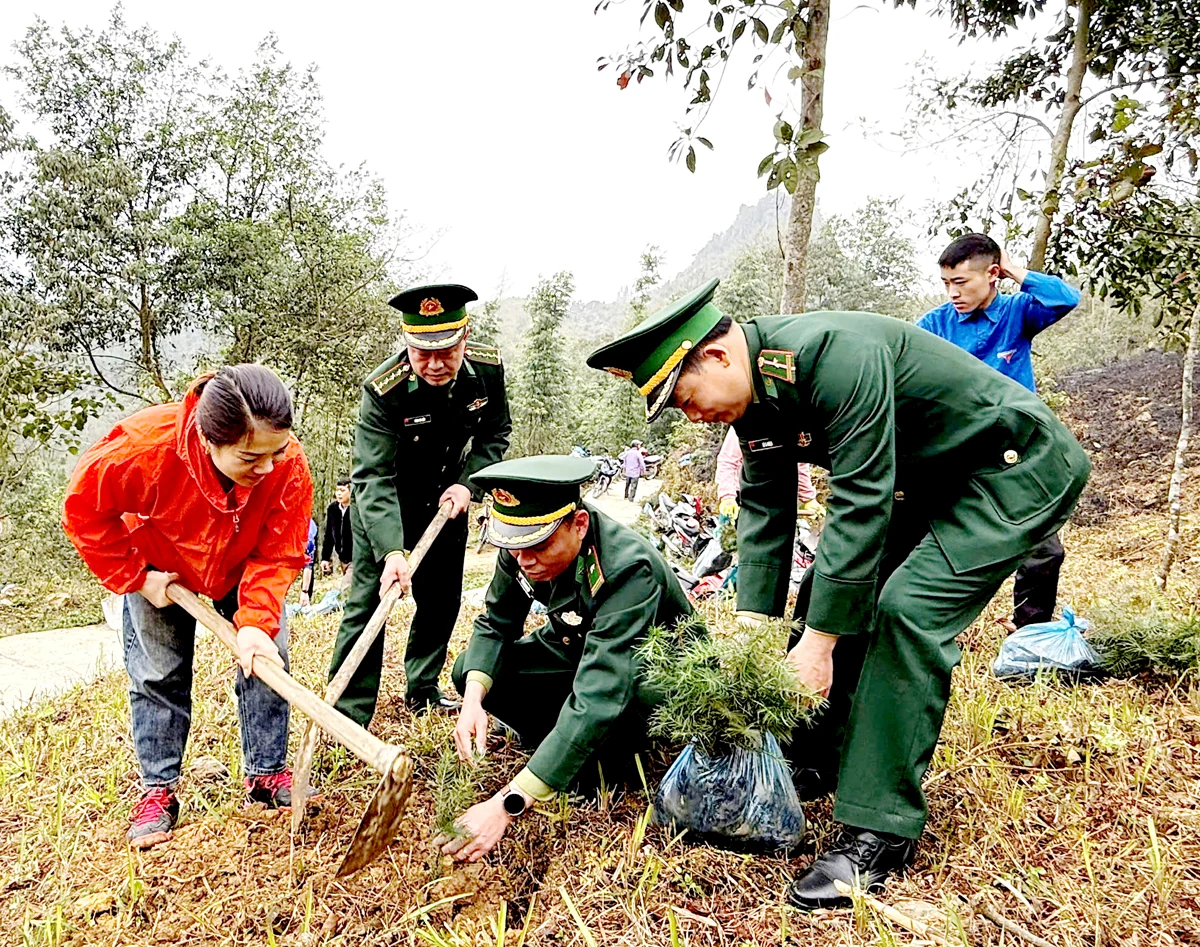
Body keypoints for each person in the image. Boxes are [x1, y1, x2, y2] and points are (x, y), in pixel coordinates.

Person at [586, 278, 1089, 908]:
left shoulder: (836, 355)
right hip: (927, 481)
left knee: (905, 613)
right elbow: (765, 508)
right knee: (821, 595)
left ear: (716, 356)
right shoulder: (756, 396)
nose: (693, 417)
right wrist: (754, 628)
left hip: (1011, 469)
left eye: (686, 400)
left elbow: (860, 497)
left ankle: (882, 827)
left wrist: (820, 644)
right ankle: (817, 756)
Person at [61, 365, 314, 850]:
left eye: (277, 452)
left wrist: (256, 623)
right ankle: (158, 790)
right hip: (161, 568)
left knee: (266, 659)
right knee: (158, 673)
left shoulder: (287, 463)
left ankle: (266, 773)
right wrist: (137, 578)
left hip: (243, 566)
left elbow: (280, 550)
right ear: (207, 439)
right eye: (250, 457)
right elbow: (83, 510)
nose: (267, 467)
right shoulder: (144, 449)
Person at [436, 455, 698, 863]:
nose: (524, 560)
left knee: (622, 712)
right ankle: (560, 745)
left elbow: (602, 691)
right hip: (577, 647)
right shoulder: (522, 546)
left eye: (539, 547)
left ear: (578, 524)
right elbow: (497, 623)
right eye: (513, 546)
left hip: (646, 670)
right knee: (471, 670)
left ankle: (604, 759)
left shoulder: (629, 567)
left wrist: (509, 801)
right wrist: (473, 701)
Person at [329, 283, 511, 723]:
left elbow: (495, 432)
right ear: (406, 344)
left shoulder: (487, 370)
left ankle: (423, 689)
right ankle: (347, 713)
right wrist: (392, 551)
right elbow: (372, 476)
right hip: (386, 504)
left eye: (445, 351)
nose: (433, 364)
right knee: (368, 604)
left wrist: (468, 485)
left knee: (442, 600)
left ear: (465, 338)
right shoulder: (383, 390)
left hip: (449, 500)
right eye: (421, 352)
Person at [918, 233, 1081, 629]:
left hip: (1018, 454)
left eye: (961, 282)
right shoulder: (935, 325)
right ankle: (929, 624)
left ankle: (1028, 633)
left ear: (992, 274)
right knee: (932, 541)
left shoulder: (1016, 312)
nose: (953, 293)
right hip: (957, 451)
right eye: (946, 284)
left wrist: (1014, 269)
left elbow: (1064, 299)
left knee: (1044, 551)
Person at [715, 426, 819, 520]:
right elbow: (728, 461)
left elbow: (800, 464)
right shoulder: (745, 422)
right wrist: (727, 497)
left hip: (778, 497)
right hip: (744, 496)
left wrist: (808, 499)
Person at [320, 476, 354, 591]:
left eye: (342, 490)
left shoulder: (357, 509)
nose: (339, 493)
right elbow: (329, 535)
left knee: (346, 588)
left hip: (357, 558)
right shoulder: (333, 509)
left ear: (350, 491)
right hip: (343, 558)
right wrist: (325, 558)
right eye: (337, 490)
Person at [300, 517, 318, 607]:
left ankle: (307, 598)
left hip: (308, 533)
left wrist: (305, 591)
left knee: (309, 566)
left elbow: (308, 566)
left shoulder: (309, 540)